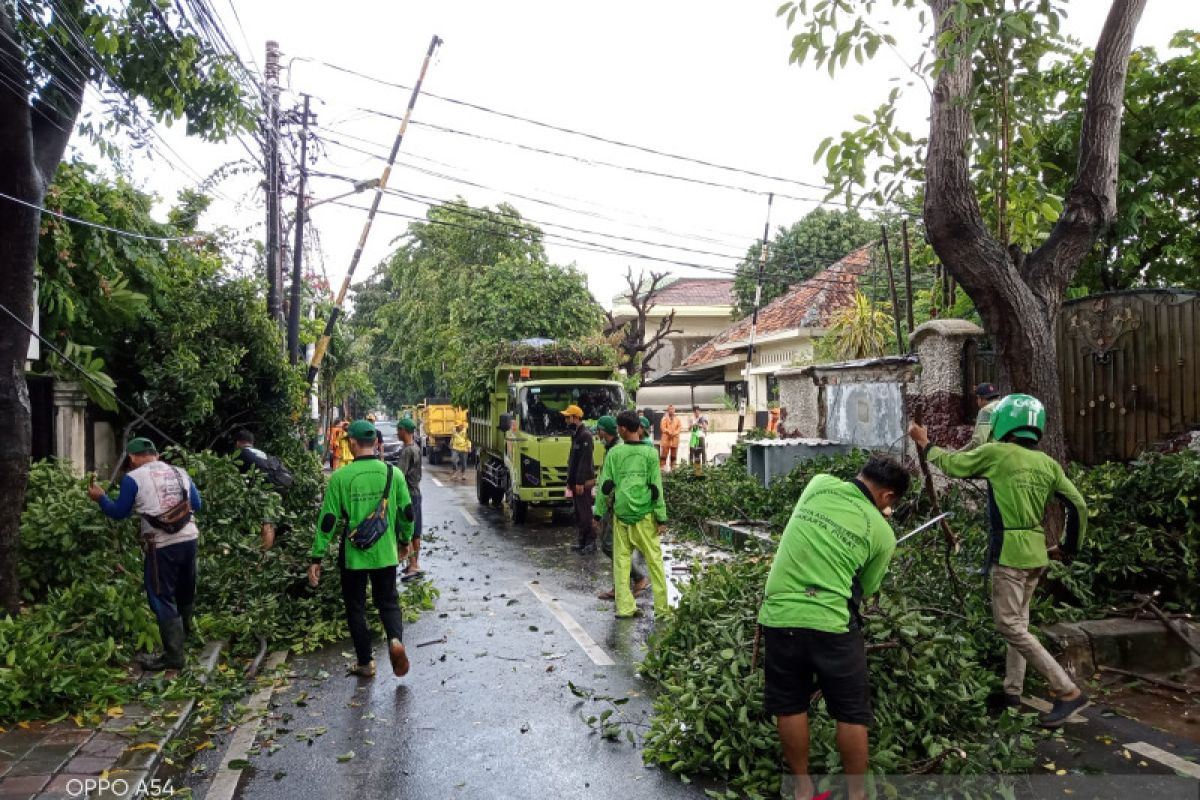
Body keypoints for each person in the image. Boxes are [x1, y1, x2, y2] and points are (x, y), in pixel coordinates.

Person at [908, 393, 1089, 728]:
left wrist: (926, 444)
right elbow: (1077, 506)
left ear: (1004, 422)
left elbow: (954, 465)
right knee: (1019, 624)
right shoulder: (1048, 464)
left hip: (1010, 556)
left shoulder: (996, 454)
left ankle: (1067, 691)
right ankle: (1012, 691)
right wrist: (1067, 547)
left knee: (1009, 625)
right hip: (1037, 553)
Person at [757, 456, 910, 800]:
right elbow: (868, 588)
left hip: (780, 615)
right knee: (852, 712)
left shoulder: (819, 483)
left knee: (790, 704)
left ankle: (802, 786)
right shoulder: (882, 532)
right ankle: (856, 794)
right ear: (887, 497)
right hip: (831, 622)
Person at [308, 419, 415, 679]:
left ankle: (366, 662)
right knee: (388, 601)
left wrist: (316, 556)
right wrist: (405, 541)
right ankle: (394, 640)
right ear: (376, 442)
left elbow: (329, 520)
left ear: (353, 443)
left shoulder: (341, 477)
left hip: (354, 555)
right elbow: (407, 513)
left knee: (355, 606)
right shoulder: (393, 474)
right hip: (385, 551)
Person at [87, 437, 203, 672]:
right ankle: (187, 639)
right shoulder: (180, 472)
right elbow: (197, 504)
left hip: (161, 545)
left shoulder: (133, 478)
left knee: (161, 596)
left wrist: (101, 498)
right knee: (185, 589)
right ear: (156, 455)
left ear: (132, 458)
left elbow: (119, 512)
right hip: (189, 539)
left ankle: (174, 657)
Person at [593, 410, 669, 619]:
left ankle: (625, 608)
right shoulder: (651, 454)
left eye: (618, 427)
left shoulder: (614, 454)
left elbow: (604, 487)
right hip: (645, 517)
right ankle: (662, 610)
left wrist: (597, 514)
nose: (617, 430)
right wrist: (661, 518)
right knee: (655, 562)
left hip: (621, 517)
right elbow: (656, 488)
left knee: (621, 562)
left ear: (623, 429)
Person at [592, 415, 649, 600]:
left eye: (599, 429)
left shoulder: (617, 450)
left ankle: (638, 577)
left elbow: (611, 483)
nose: (598, 433)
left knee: (611, 546)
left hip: (617, 505)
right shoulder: (612, 448)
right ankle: (619, 587)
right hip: (615, 503)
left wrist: (598, 512)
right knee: (615, 547)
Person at [233, 429, 289, 551]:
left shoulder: (241, 454)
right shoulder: (260, 453)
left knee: (266, 522)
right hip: (280, 486)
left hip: (268, 489)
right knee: (268, 522)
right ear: (252, 443)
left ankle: (263, 558)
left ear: (238, 443)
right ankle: (263, 554)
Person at [563, 404, 597, 553]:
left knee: (585, 513)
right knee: (579, 513)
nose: (565, 420)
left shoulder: (585, 436)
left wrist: (579, 482)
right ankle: (582, 541)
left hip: (582, 483)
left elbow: (585, 461)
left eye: (567, 417)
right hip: (576, 482)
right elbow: (573, 461)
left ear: (575, 418)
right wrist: (569, 481)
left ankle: (591, 542)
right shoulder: (576, 435)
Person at [396, 418, 425, 581]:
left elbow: (400, 475)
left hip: (408, 494)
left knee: (408, 530)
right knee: (416, 530)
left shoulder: (407, 451)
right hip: (416, 492)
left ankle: (413, 565)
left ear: (404, 431)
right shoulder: (416, 447)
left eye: (398, 430)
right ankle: (414, 564)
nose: (397, 433)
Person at [962, 383, 1003, 451]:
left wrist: (959, 453)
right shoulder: (1004, 406)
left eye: (977, 398)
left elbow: (979, 441)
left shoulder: (986, 410)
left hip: (997, 454)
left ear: (980, 399)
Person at [658, 405, 683, 472]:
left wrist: (675, 433)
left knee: (673, 456)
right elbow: (662, 427)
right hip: (666, 440)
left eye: (673, 409)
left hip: (675, 440)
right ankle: (662, 468)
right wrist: (668, 432)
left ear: (674, 410)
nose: (671, 410)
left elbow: (680, 427)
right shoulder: (664, 418)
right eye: (670, 409)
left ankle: (673, 468)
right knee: (664, 455)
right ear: (668, 410)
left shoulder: (678, 419)